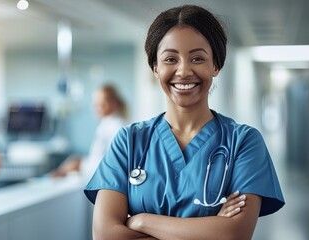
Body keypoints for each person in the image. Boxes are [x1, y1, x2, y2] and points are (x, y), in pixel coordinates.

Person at [84, 5, 285, 240]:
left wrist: (142, 221)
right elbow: (105, 235)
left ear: (215, 66)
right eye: (170, 58)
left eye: (197, 58)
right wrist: (210, 229)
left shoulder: (243, 142)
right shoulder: (128, 142)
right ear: (155, 68)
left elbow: (234, 234)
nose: (184, 71)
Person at [51, 84, 127, 181]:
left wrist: (80, 166)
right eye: (95, 105)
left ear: (114, 103)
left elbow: (112, 163)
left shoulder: (116, 127)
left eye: (101, 105)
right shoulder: (105, 125)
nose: (96, 109)